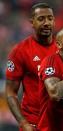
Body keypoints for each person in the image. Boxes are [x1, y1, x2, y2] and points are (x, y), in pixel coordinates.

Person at [5, 3, 57, 131]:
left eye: (50, 18)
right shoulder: (20, 51)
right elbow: (10, 92)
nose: (46, 23)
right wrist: (23, 123)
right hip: (34, 123)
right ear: (32, 22)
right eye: (41, 19)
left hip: (61, 122)